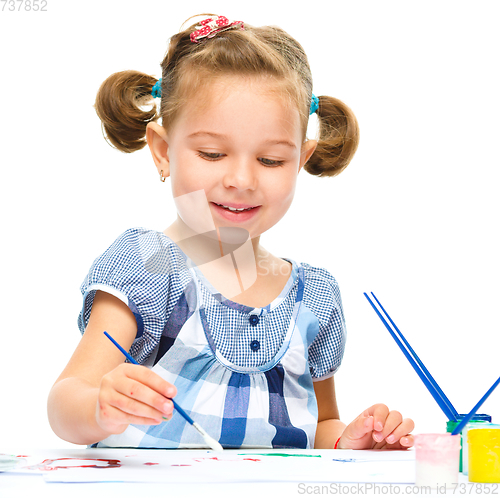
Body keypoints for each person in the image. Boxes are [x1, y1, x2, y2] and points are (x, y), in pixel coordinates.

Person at [47, 14, 414, 450]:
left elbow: (320, 425)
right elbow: (65, 403)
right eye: (213, 153)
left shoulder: (313, 297)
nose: (241, 179)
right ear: (163, 152)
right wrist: (98, 408)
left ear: (301, 159)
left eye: (271, 160)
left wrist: (352, 441)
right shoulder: (150, 264)